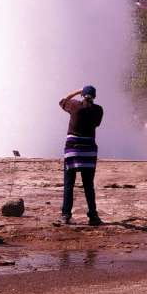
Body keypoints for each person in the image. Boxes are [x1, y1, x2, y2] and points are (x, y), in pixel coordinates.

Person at [58, 85, 103, 226]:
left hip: (72, 151)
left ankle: (66, 215)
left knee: (69, 184)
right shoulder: (98, 110)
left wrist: (77, 91)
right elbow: (97, 124)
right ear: (94, 97)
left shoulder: (75, 105)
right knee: (88, 185)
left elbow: (62, 100)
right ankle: (93, 216)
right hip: (89, 152)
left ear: (82, 96)